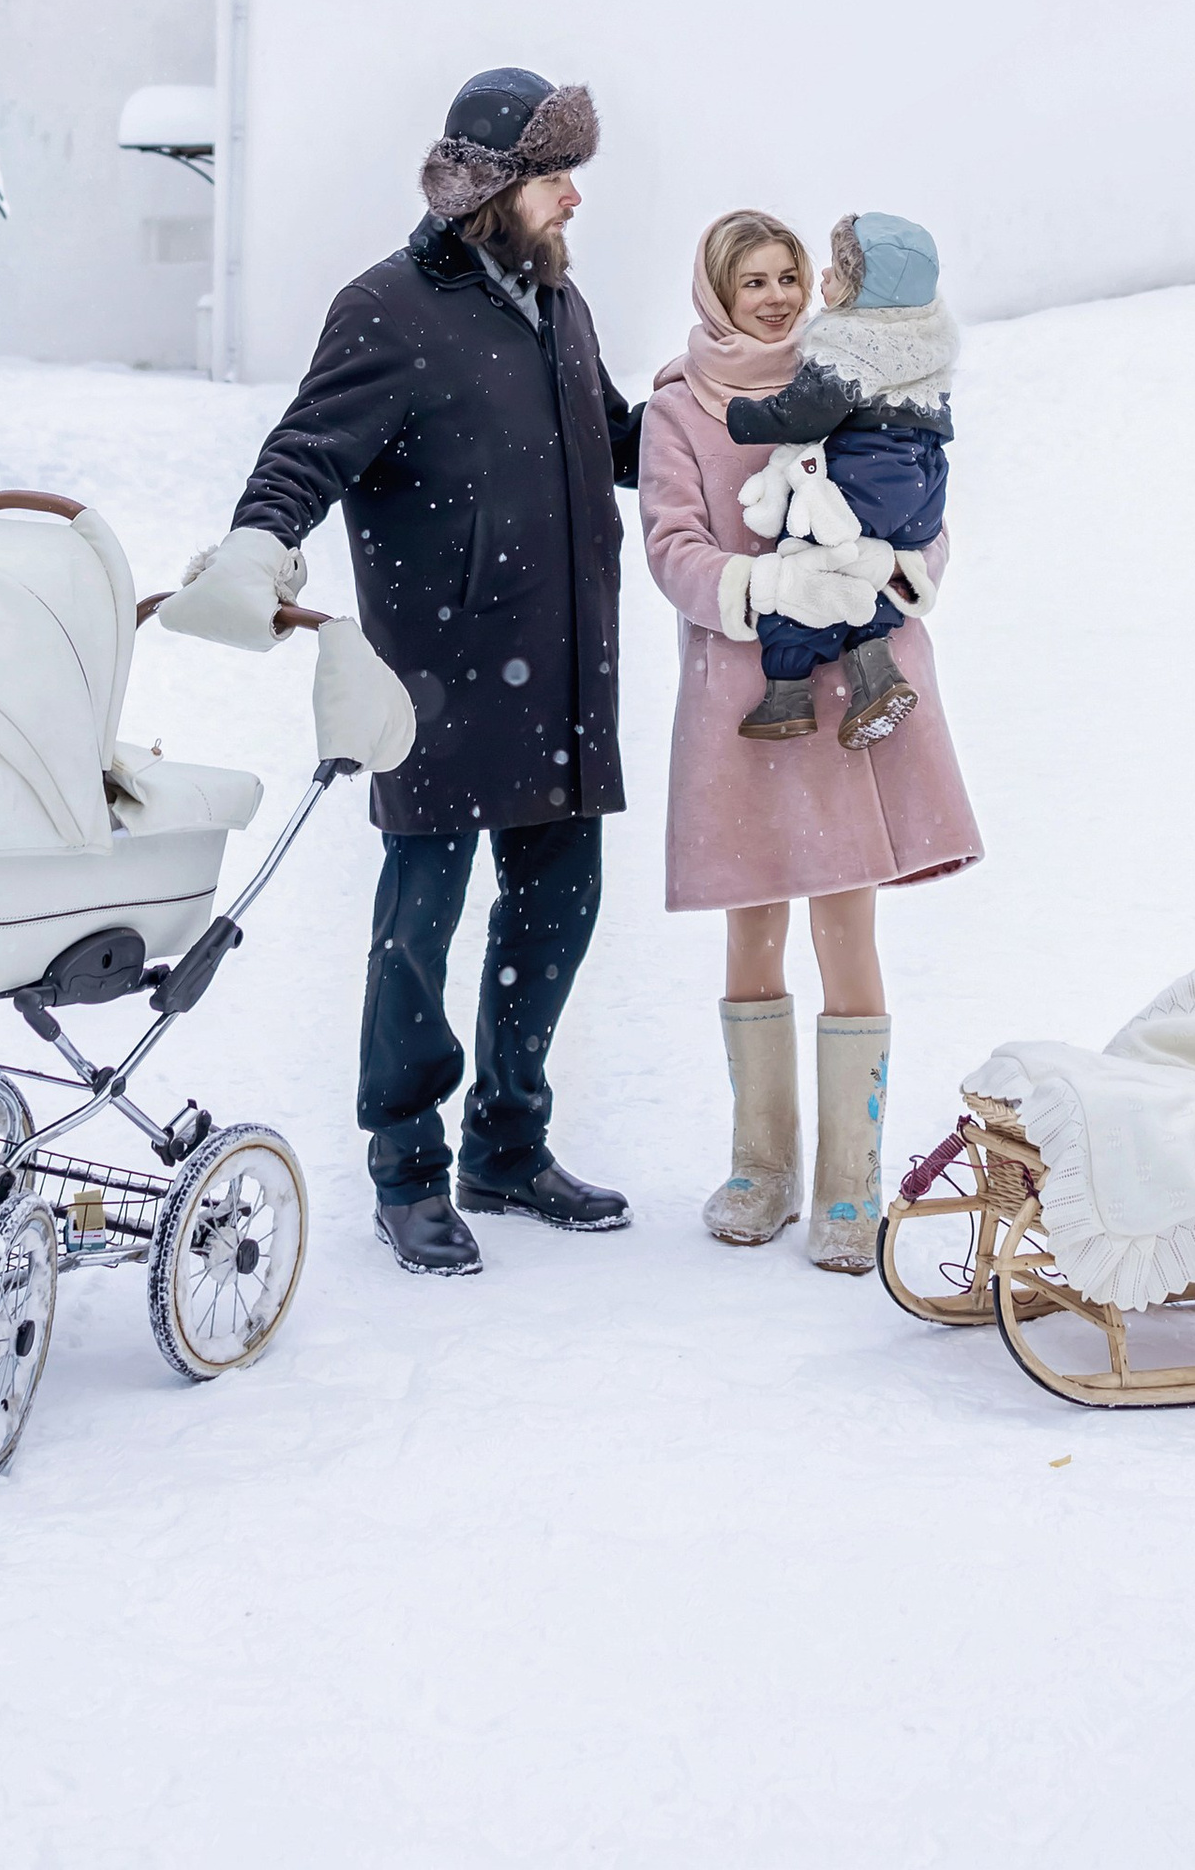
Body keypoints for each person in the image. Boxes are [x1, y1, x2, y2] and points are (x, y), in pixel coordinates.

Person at [179, 67, 640, 1280]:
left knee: (557, 913)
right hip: (440, 674)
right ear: (491, 184)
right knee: (417, 931)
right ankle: (408, 1167)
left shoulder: (560, 301)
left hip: (568, 670)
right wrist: (258, 540)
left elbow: (617, 436)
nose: (575, 198)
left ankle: (509, 1144)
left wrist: (743, 422)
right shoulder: (389, 305)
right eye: (556, 176)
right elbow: (306, 447)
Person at [638, 210, 981, 1270]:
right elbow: (672, 545)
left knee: (846, 924)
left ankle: (849, 1180)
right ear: (718, 291)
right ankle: (761, 1167)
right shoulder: (678, 406)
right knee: (752, 926)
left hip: (850, 703)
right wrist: (766, 584)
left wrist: (891, 573)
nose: (777, 296)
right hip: (744, 699)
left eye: (789, 274)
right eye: (754, 280)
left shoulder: (856, 369)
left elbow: (923, 513)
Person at [722, 211, 957, 750]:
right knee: (864, 568)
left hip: (869, 472)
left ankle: (787, 691)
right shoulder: (920, 338)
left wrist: (739, 416)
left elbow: (803, 416)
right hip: (920, 483)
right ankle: (875, 669)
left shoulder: (850, 345)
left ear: (862, 290)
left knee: (807, 562)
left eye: (837, 270)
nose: (822, 276)